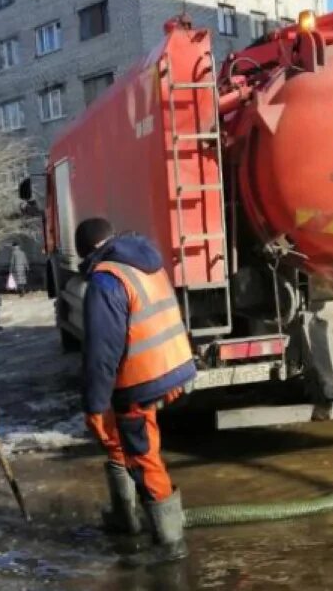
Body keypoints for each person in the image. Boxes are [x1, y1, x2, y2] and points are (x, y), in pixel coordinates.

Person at [75, 217, 196, 565]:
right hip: (175, 364)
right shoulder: (143, 261)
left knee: (142, 456)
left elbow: (102, 352)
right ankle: (126, 517)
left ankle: (170, 544)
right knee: (128, 440)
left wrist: (95, 406)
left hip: (143, 378)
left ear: (85, 252)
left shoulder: (105, 279)